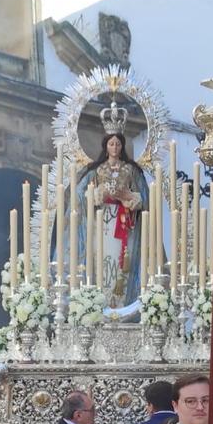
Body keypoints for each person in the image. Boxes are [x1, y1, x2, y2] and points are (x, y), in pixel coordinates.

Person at [77, 128, 148, 307]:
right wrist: (99, 193)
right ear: (106, 146)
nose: (115, 147)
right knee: (101, 258)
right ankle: (100, 302)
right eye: (111, 144)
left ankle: (121, 303)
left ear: (122, 146)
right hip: (102, 222)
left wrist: (127, 196)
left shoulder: (131, 170)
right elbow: (80, 195)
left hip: (123, 222)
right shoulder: (96, 170)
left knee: (122, 260)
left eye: (118, 144)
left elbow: (145, 197)